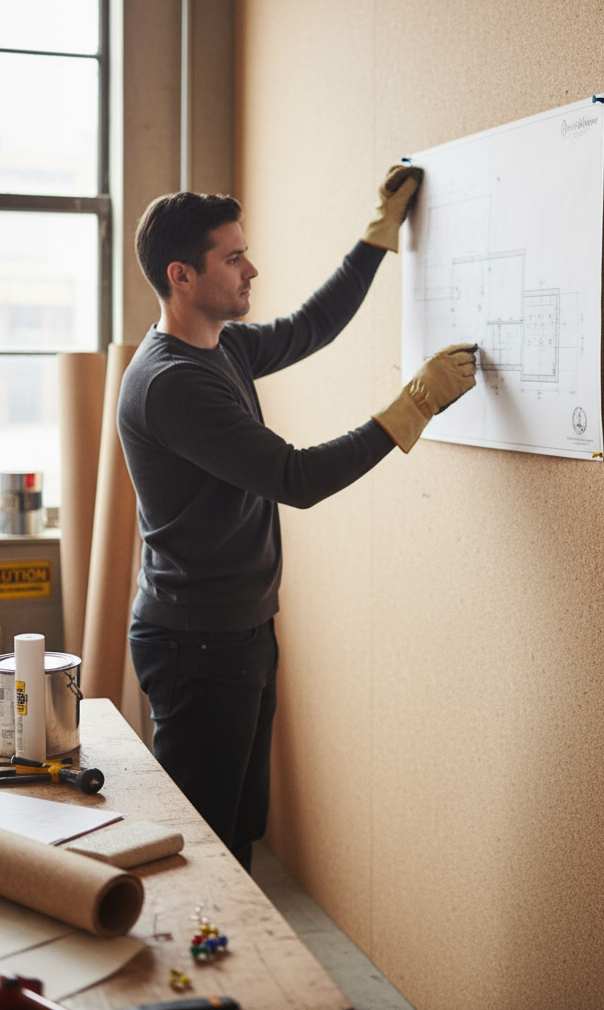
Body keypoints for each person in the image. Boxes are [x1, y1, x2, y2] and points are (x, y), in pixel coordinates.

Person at [118, 166, 477, 870]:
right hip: (197, 645)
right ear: (181, 276)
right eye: (233, 258)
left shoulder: (221, 346)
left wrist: (378, 233)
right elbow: (296, 478)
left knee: (239, 828)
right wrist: (415, 404)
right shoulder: (172, 383)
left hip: (239, 629)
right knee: (204, 850)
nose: (252, 270)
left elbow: (314, 326)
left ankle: (234, 947)